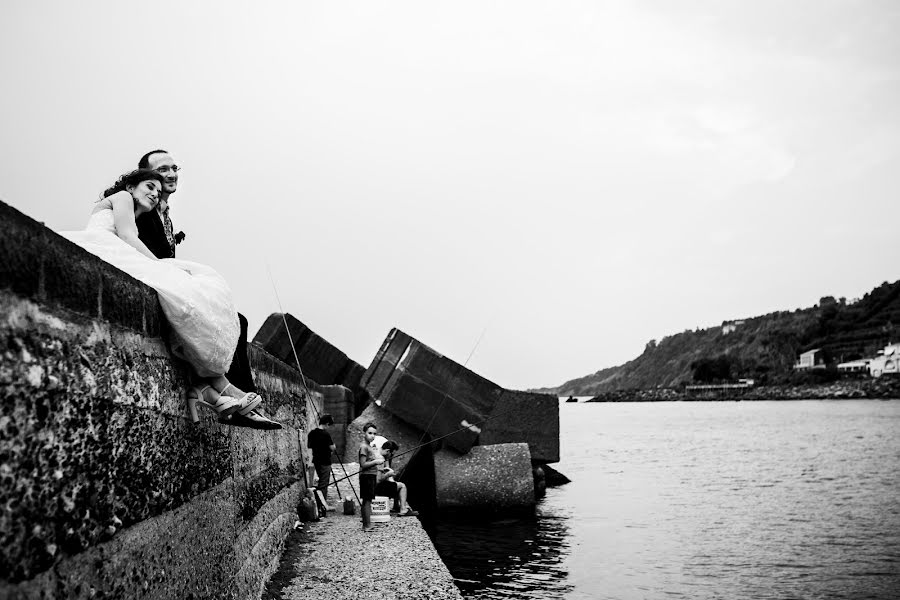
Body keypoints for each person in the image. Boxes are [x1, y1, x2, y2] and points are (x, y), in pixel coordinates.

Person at [61, 168, 276, 427]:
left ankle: (215, 390)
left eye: (158, 191)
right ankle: (219, 390)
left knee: (184, 298)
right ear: (131, 186)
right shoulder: (122, 198)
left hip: (113, 248)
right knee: (185, 291)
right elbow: (128, 237)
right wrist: (160, 266)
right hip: (106, 247)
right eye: (149, 187)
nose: (154, 194)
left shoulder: (135, 208)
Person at [134, 149, 275, 429]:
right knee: (227, 318)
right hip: (155, 279)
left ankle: (233, 394)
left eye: (174, 168)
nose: (172, 174)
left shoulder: (165, 214)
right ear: (148, 176)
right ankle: (234, 397)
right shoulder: (144, 209)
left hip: (166, 278)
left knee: (237, 320)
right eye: (163, 170)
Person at [375, 440, 418, 517]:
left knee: (395, 484)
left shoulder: (376, 454)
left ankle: (396, 506)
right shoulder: (380, 460)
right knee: (402, 486)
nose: (392, 457)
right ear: (388, 451)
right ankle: (403, 509)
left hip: (369, 485)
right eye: (392, 454)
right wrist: (388, 474)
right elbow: (378, 480)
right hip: (375, 489)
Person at [358, 422, 384, 532]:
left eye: (374, 434)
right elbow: (363, 465)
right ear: (364, 433)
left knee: (368, 500)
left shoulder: (369, 446)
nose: (372, 435)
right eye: (369, 433)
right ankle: (366, 525)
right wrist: (376, 462)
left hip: (371, 475)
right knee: (367, 501)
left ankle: (367, 524)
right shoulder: (364, 447)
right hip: (366, 476)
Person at [307, 414, 336, 509]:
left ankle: (320, 503)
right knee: (324, 483)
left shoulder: (312, 433)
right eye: (329, 425)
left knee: (321, 482)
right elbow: (332, 447)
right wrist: (333, 447)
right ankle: (322, 506)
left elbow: (309, 446)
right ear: (327, 424)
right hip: (325, 461)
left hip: (316, 461)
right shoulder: (326, 434)